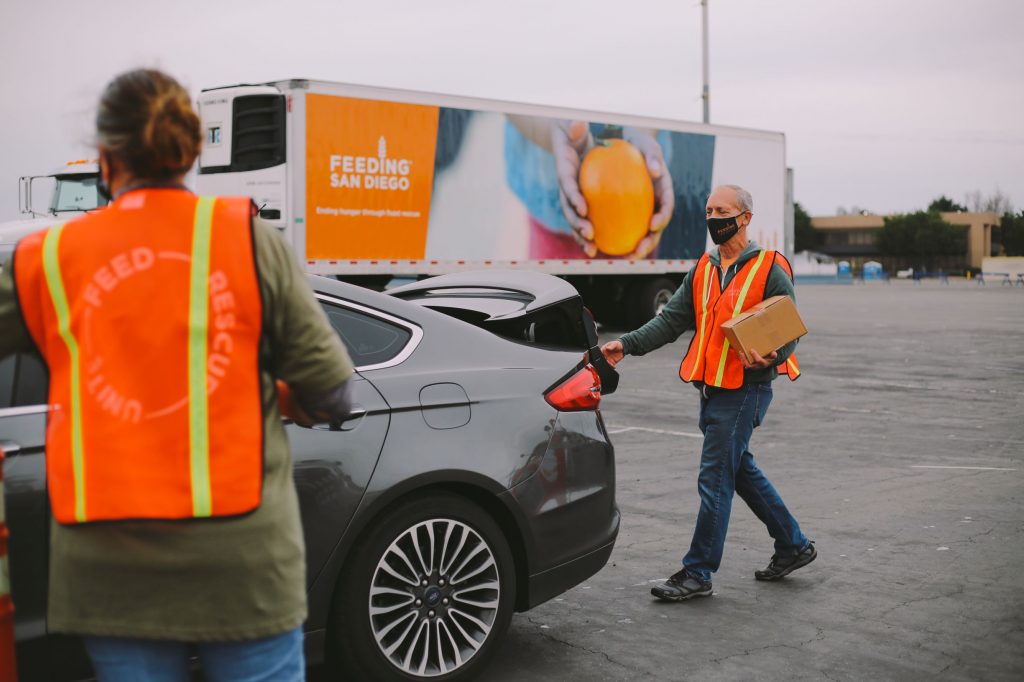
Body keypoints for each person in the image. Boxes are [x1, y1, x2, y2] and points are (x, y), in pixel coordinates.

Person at [0, 69, 354, 680]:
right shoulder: (247, 240)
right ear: (191, 151)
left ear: (105, 154)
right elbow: (334, 395)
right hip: (243, 566)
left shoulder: (47, 259)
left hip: (110, 571)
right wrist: (284, 395)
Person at [600, 184, 815, 601]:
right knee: (739, 470)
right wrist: (625, 345)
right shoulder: (704, 267)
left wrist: (775, 354)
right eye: (709, 211)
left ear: (745, 218)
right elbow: (670, 321)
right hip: (711, 388)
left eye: (722, 211)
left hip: (746, 390)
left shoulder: (769, 267)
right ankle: (793, 544)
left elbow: (788, 328)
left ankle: (698, 571)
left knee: (715, 477)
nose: (713, 218)